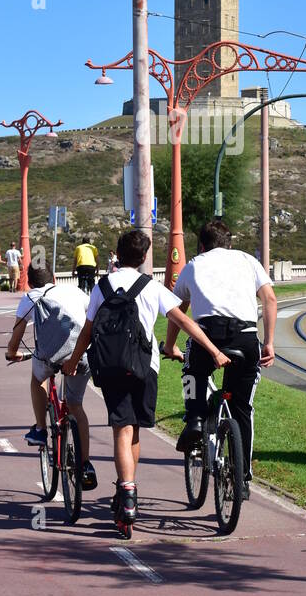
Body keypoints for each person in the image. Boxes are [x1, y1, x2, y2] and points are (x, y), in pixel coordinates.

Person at [63, 228, 229, 531]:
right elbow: (184, 321)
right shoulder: (151, 287)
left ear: (118, 254)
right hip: (144, 367)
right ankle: (128, 489)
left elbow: (87, 332)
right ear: (142, 258)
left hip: (111, 367)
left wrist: (73, 362)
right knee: (135, 429)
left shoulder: (102, 286)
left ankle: (127, 493)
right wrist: (214, 351)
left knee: (122, 431)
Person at [163, 218, 277, 500]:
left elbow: (176, 309)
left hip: (207, 336)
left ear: (202, 245)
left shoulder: (194, 265)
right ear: (230, 243)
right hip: (246, 338)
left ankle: (195, 419)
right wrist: (270, 343)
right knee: (242, 409)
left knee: (193, 367)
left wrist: (169, 346)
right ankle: (243, 478)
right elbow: (270, 300)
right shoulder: (249, 261)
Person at [5, 264, 97, 489]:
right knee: (76, 406)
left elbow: (17, 334)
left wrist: (12, 353)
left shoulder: (31, 296)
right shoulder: (76, 291)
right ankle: (85, 464)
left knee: (37, 379)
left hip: (49, 356)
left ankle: (40, 429)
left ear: (29, 283)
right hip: (80, 355)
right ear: (54, 278)